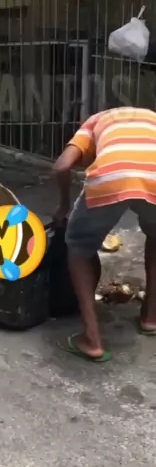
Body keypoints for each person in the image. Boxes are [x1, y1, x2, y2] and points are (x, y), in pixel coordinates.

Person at [53, 106, 156, 362]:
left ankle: (92, 339)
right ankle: (150, 317)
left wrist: (64, 207)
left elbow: (62, 166)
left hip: (112, 177)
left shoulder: (93, 122)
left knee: (79, 247)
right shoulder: (152, 119)